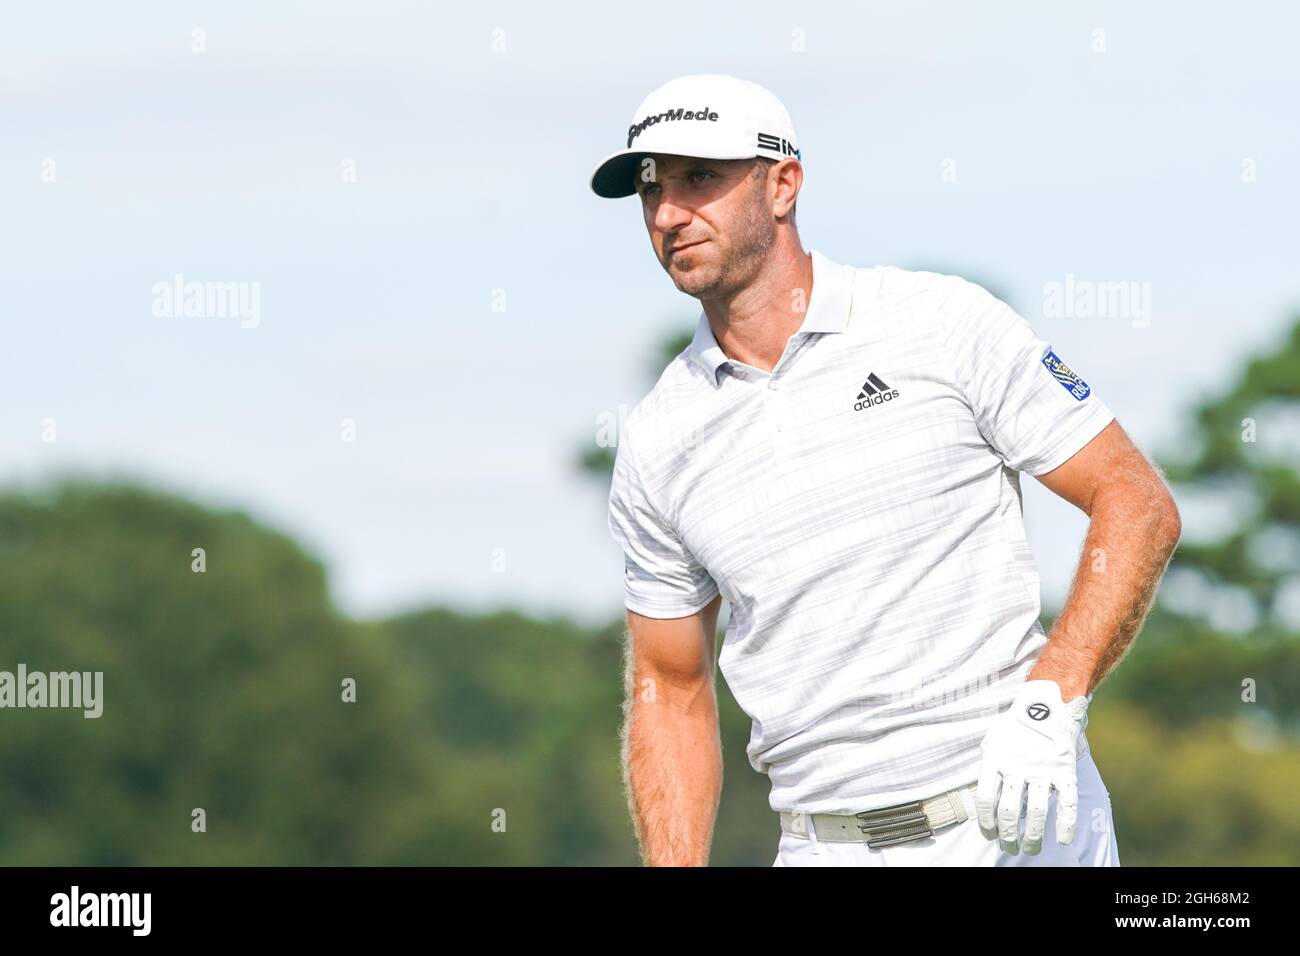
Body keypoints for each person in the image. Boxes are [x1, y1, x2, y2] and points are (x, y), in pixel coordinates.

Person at [592, 74, 1181, 866]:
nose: (667, 214)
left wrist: (1053, 699)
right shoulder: (660, 436)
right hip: (819, 845)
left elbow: (1135, 502)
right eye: (650, 188)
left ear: (783, 184)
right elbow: (671, 689)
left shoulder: (940, 323)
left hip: (1016, 824)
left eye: (700, 179)